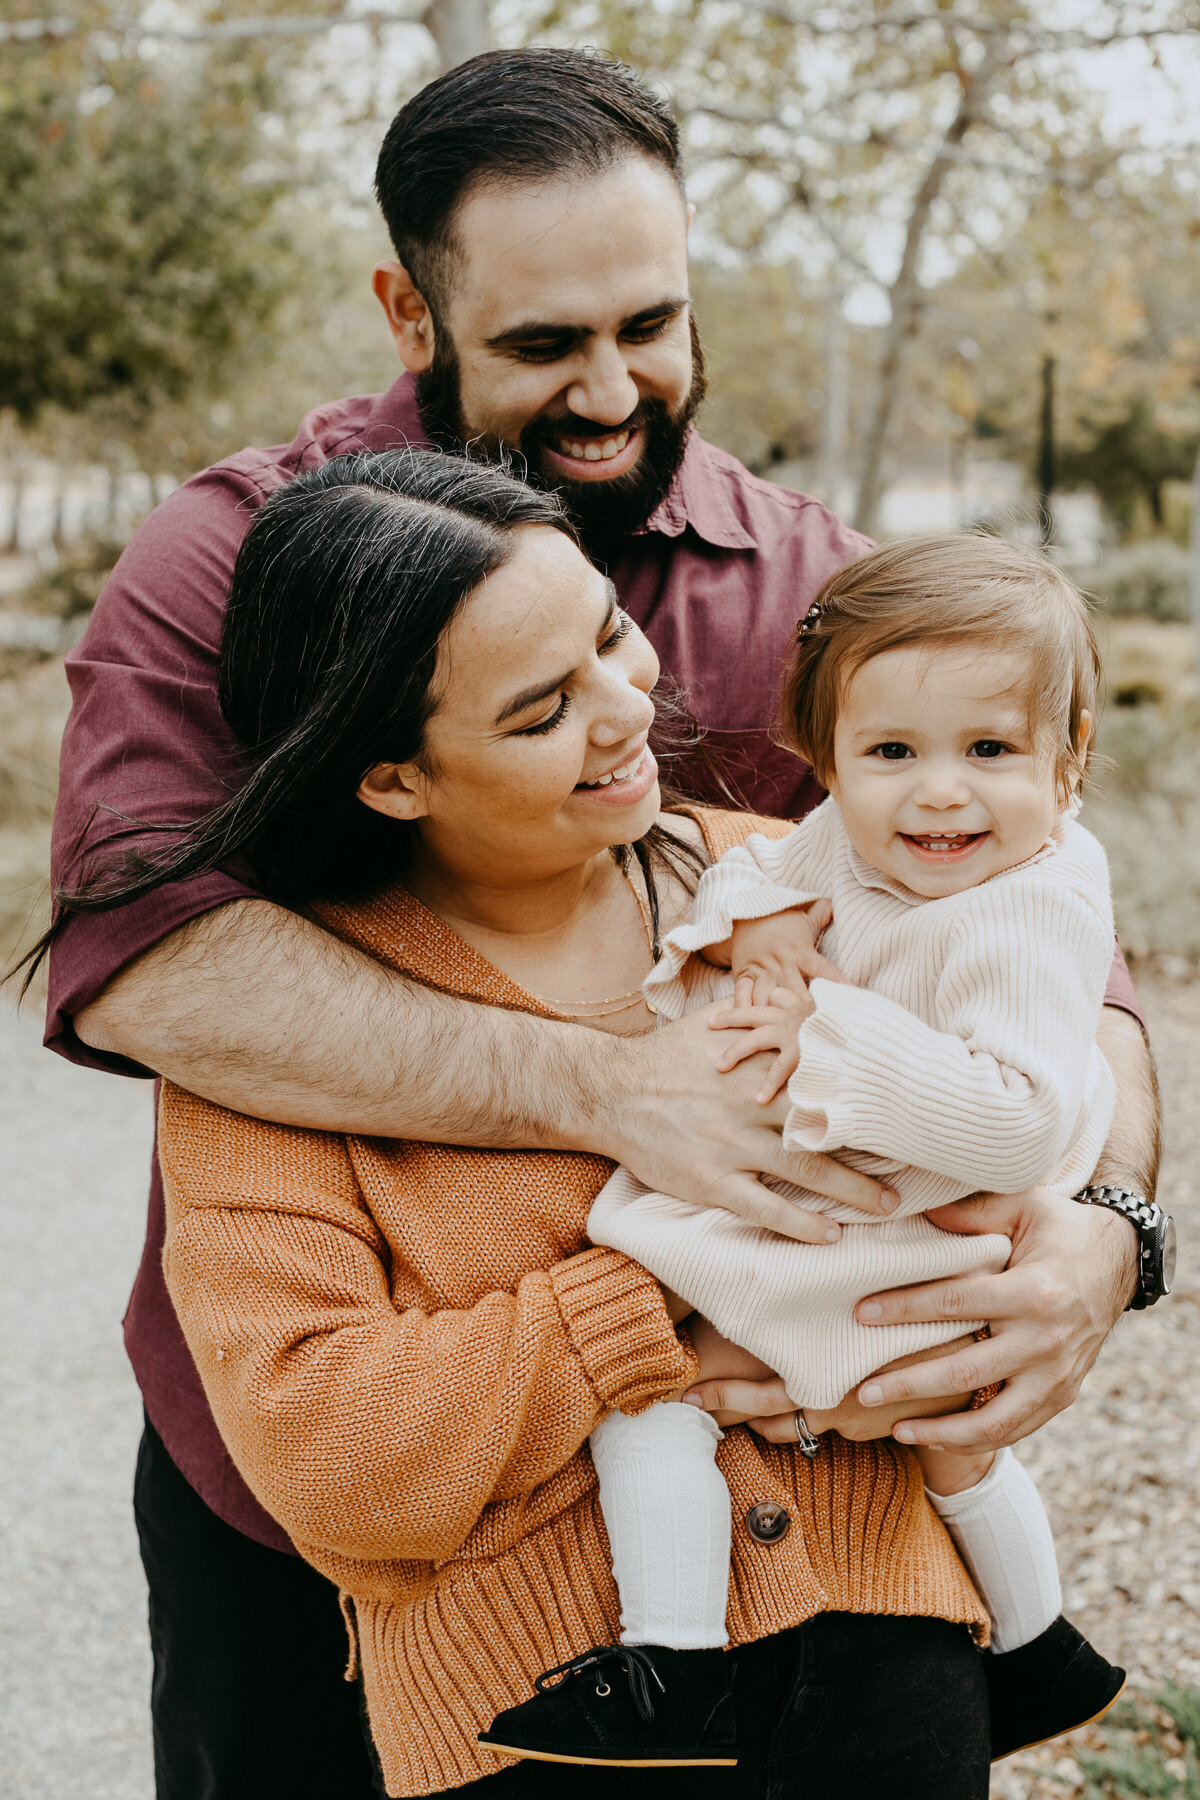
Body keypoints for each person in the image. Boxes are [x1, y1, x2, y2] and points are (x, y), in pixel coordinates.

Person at [33, 44, 1157, 1800]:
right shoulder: (232, 562)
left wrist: (1105, 1225)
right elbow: (156, 958)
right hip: (342, 1541)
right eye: (547, 346)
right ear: (411, 310)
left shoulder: (812, 588)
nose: (615, 388)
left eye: (654, 322)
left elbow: (1039, 935)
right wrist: (608, 1103)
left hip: (815, 1534)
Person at [50, 447, 1004, 1798]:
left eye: (613, 636)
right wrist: (655, 1313)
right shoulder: (291, 1047)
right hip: (541, 1724)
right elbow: (333, 1458)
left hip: (893, 1666)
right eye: (544, 708)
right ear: (391, 777)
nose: (627, 710)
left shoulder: (791, 883)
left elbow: (997, 1152)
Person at [491, 534, 1140, 1773]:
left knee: (656, 1396)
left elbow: (1014, 1118)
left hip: (896, 1237)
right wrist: (770, 922)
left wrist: (821, 1028)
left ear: (1071, 763)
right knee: (957, 1449)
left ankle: (669, 1664)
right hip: (885, 1225)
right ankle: (1042, 1645)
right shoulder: (858, 831)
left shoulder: (1029, 914)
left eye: (990, 751)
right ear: (828, 759)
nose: (938, 794)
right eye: (891, 753)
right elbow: (759, 877)